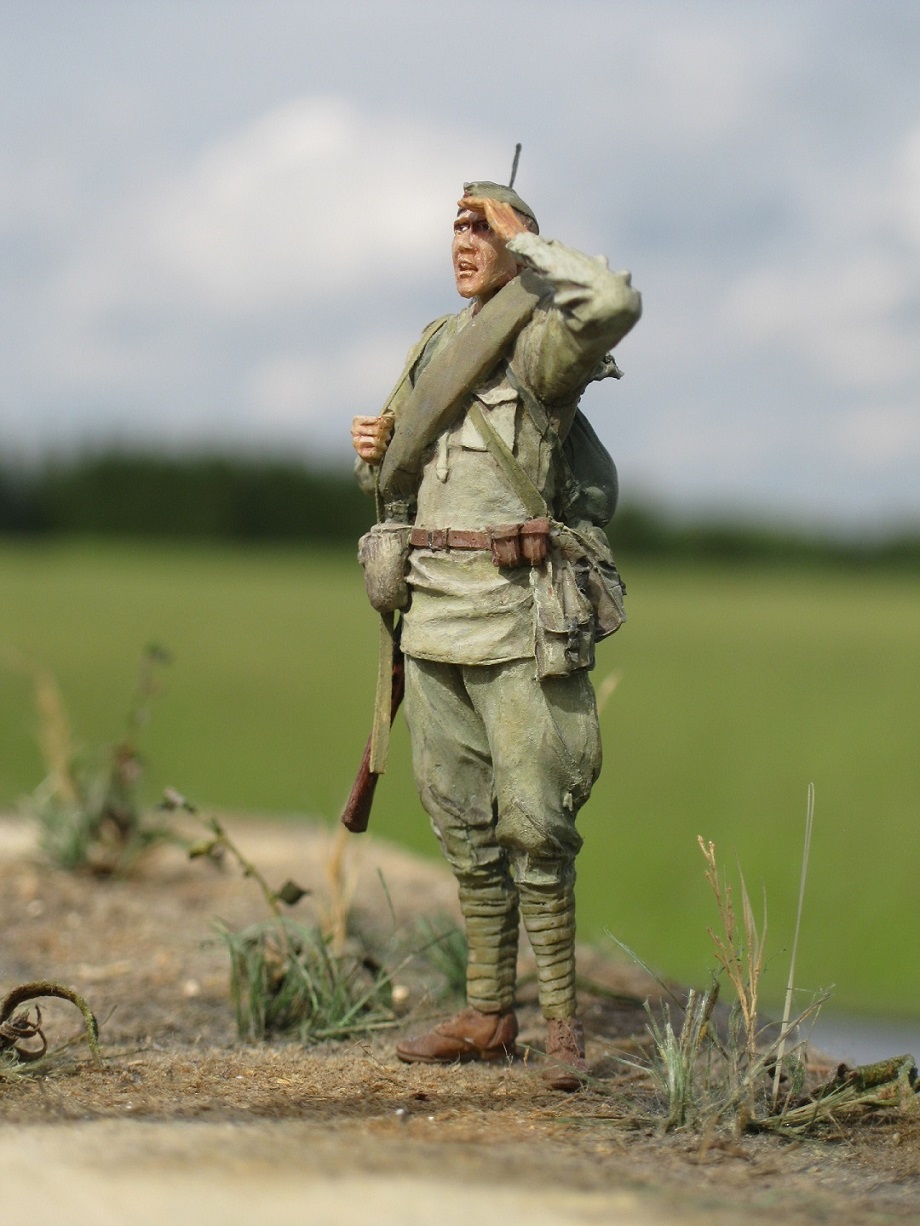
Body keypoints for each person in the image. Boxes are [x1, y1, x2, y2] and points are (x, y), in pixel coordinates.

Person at [351, 181, 641, 1090]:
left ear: (517, 243)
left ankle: (561, 1026)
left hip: (516, 620)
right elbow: (399, 479)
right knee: (463, 824)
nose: (465, 240)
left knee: (536, 827)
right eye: (459, 226)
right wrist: (373, 449)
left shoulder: (540, 344)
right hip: (432, 614)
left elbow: (613, 303)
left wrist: (533, 246)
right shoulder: (436, 345)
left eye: (485, 227)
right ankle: (487, 1012)